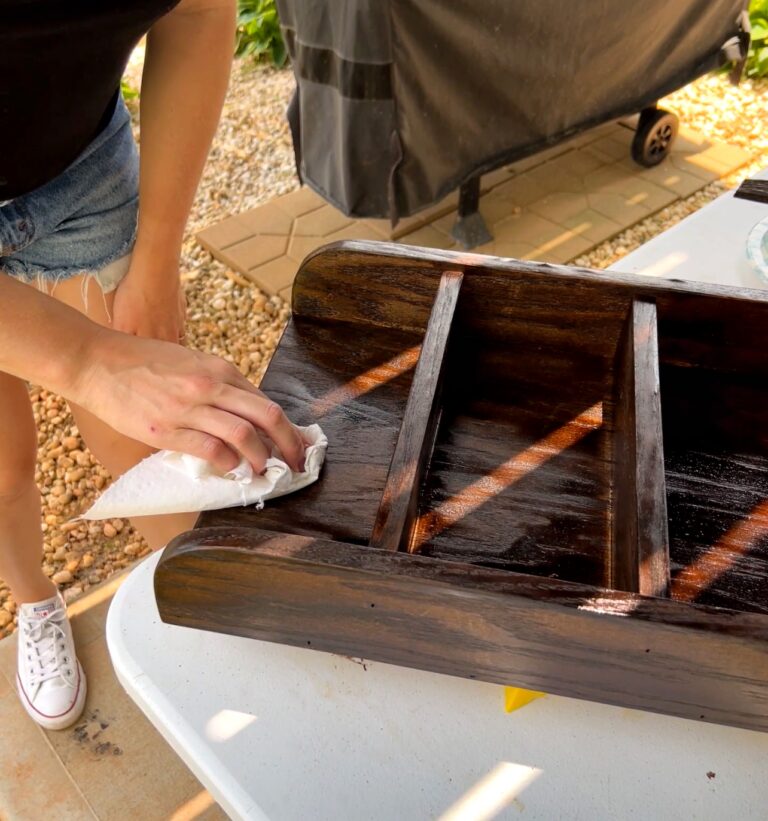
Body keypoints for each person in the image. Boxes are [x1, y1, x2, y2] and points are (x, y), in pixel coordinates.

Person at [1, 0, 305, 730]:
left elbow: (198, 12)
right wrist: (88, 360)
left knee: (153, 449)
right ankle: (35, 600)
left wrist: (158, 255)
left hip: (80, 178)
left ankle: (227, 616)